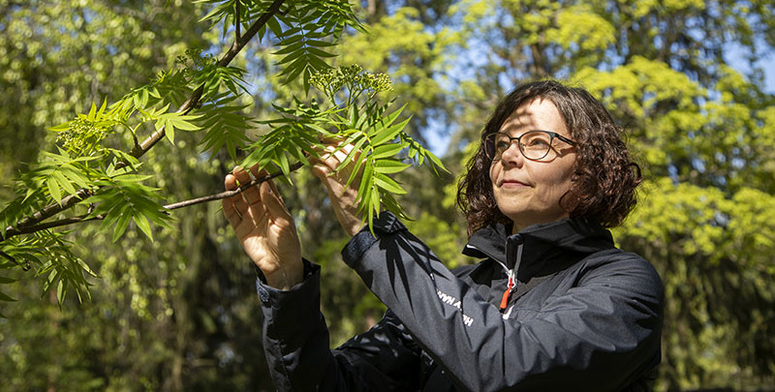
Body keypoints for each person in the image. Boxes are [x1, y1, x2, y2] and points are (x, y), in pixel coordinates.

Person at [223, 80, 664, 391]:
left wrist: (373, 230)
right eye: (503, 143)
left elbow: (506, 368)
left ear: (588, 171)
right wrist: (288, 282)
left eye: (536, 142)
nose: (510, 156)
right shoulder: (463, 288)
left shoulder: (621, 284)